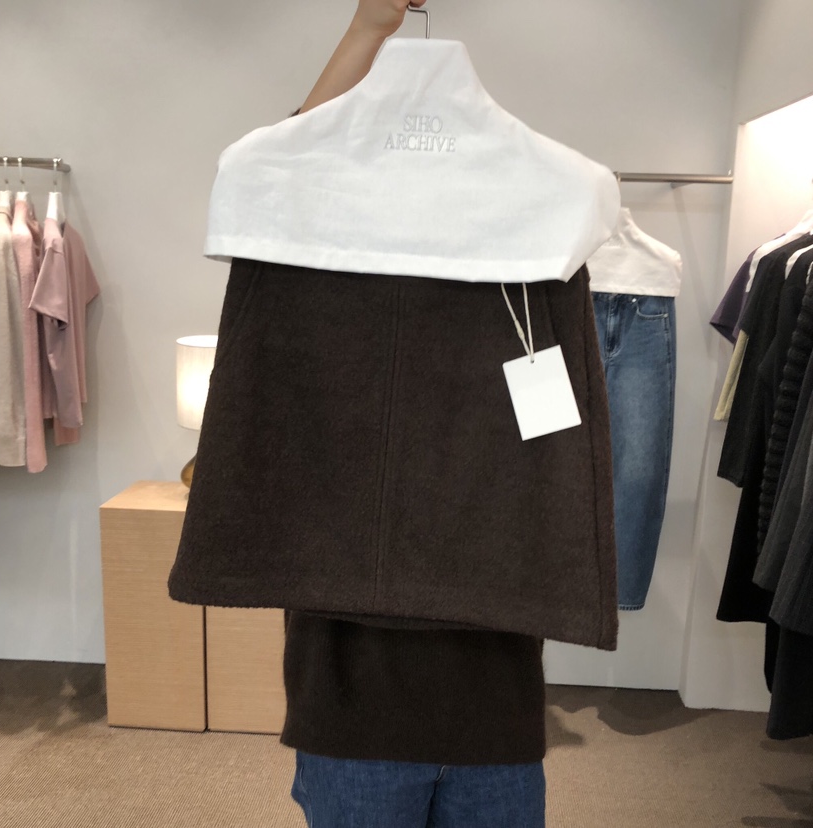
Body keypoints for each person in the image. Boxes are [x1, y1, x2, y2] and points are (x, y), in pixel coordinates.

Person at [280, 2, 548, 826]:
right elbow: (282, 171)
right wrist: (368, 30)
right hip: (355, 705)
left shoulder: (516, 281)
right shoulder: (322, 285)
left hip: (493, 704)